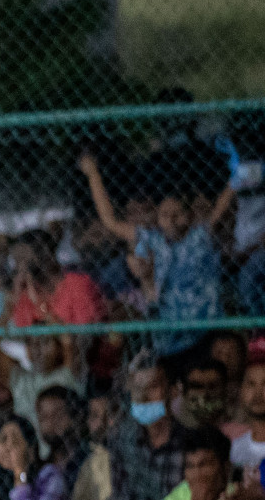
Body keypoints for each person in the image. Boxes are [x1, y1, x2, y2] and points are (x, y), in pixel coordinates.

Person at [81, 153, 232, 357]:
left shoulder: (200, 236)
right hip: (167, 330)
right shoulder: (150, 239)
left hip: (206, 326)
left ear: (189, 216)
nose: (170, 220)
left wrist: (236, 180)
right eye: (164, 215)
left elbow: (220, 208)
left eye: (177, 214)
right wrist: (93, 174)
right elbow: (110, 221)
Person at [102, 360, 191, 500]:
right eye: (137, 389)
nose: (143, 397)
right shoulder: (124, 445)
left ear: (172, 391)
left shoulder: (189, 445)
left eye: (152, 387)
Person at [231, 356, 265, 475]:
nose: (258, 394)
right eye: (251, 384)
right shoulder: (235, 448)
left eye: (264, 384)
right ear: (241, 391)